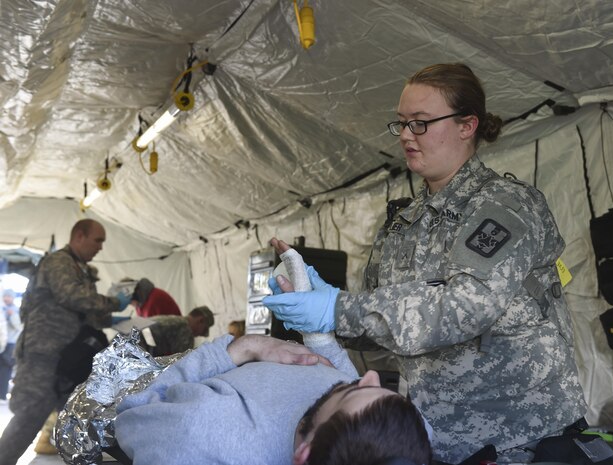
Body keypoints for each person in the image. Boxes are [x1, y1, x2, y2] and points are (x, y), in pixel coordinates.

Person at [263, 63, 587, 464]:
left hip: (519, 440)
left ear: (467, 125)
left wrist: (337, 309)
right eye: (400, 123)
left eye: (420, 123)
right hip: (435, 439)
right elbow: (381, 327)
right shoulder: (404, 223)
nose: (404, 136)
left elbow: (466, 306)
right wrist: (316, 305)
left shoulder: (504, 205)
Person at [114, 332, 432, 465]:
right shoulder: (409, 438)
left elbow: (132, 415)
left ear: (303, 453)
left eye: (352, 389)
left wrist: (243, 348)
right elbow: (349, 381)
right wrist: (319, 337)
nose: (369, 375)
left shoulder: (201, 433)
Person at [0, 219, 129, 465]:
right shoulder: (60, 262)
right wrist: (112, 302)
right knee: (29, 418)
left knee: (78, 422)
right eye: (97, 240)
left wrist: (108, 317)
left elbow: (83, 310)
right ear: (79, 236)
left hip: (66, 359)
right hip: (43, 356)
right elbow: (72, 296)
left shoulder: (78, 268)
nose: (101, 247)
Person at [141, 305, 214, 356]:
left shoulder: (175, 319)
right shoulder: (186, 332)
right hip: (139, 350)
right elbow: (182, 366)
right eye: (204, 330)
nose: (200, 334)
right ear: (200, 320)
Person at [0, 289, 20, 403]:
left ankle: (2, 395)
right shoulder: (1, 309)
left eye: (9, 296)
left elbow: (19, 327)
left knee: (5, 370)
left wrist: (12, 316)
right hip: (1, 343)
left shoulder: (16, 310)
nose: (6, 298)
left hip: (10, 344)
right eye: (5, 296)